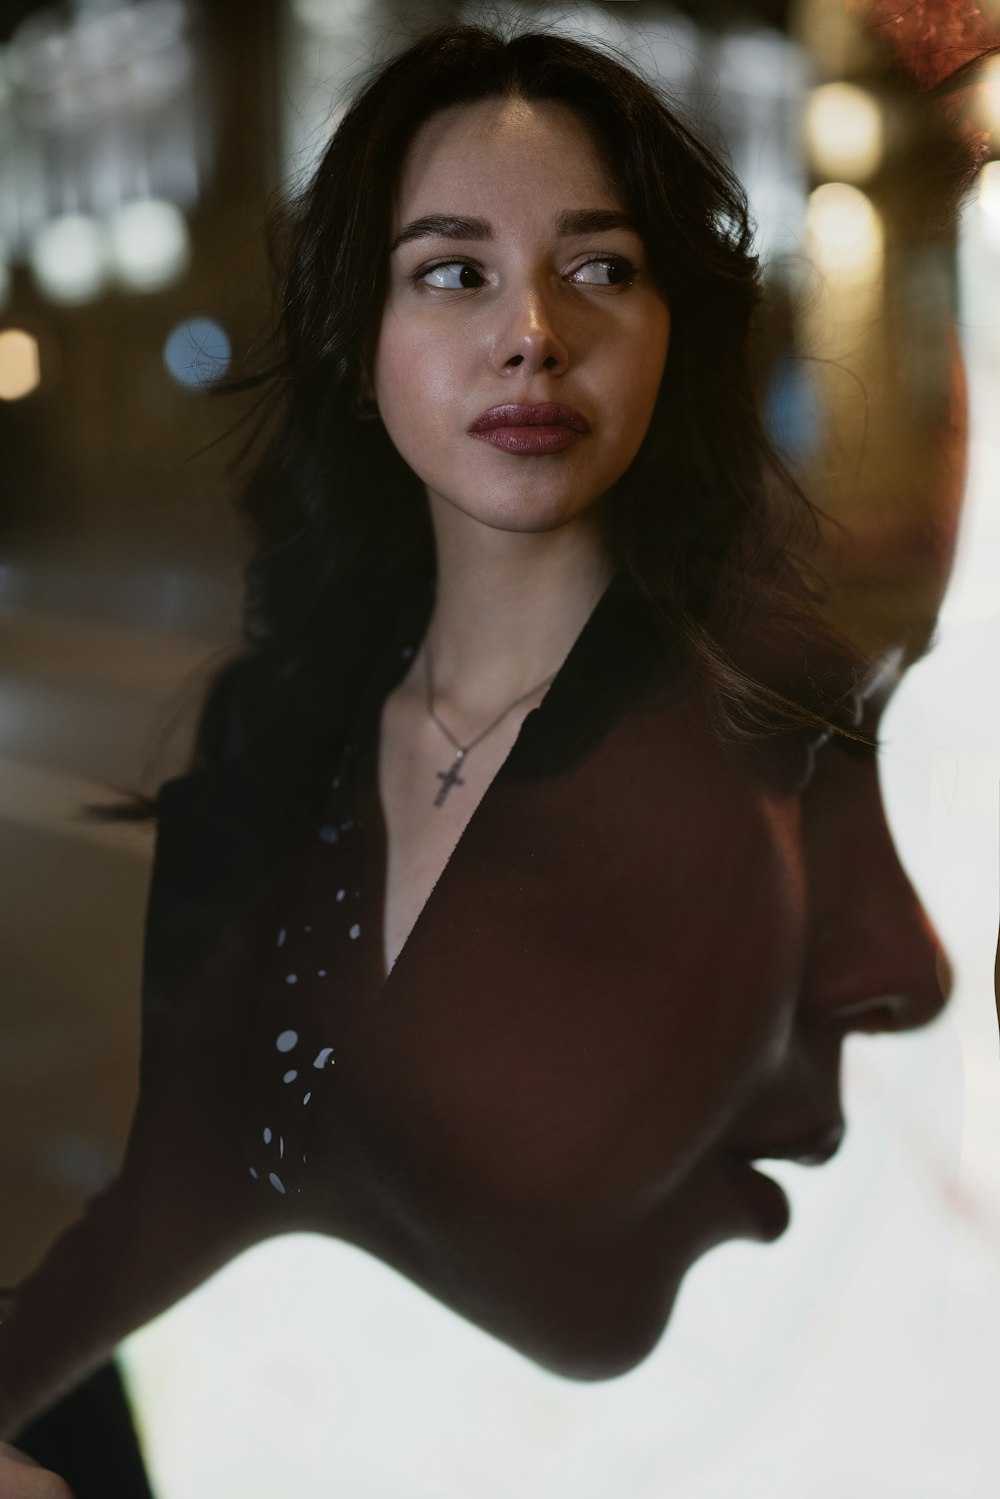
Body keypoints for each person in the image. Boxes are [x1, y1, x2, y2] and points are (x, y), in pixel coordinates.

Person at [0, 20, 953, 1459]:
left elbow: (858, 1264)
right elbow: (187, 1190)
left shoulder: (800, 751)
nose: (531, 331)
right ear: (361, 338)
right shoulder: (269, 739)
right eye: (455, 272)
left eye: (599, 269)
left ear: (672, 329)